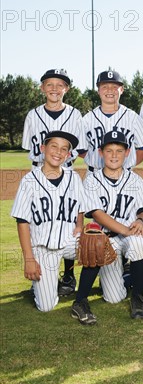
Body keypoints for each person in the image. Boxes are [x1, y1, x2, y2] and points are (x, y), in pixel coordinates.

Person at [71, 130, 143, 325]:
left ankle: (138, 297)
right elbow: (97, 214)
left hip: (130, 236)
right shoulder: (91, 180)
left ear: (127, 152)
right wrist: (125, 229)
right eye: (109, 150)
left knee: (140, 243)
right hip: (106, 239)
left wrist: (140, 220)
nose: (114, 155)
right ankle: (80, 301)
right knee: (113, 296)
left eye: (119, 150)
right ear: (100, 152)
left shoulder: (136, 180)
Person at [22, 68, 86, 296]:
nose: (55, 89)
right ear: (42, 88)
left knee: (68, 227)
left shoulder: (75, 115)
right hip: (39, 175)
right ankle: (37, 273)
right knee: (38, 227)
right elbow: (29, 148)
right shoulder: (33, 115)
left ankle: (69, 275)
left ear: (66, 89)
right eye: (50, 84)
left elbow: (80, 150)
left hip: (66, 175)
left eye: (60, 85)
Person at [11, 131, 84, 312]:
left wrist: (80, 225)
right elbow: (22, 221)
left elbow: (80, 207)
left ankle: (82, 296)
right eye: (54, 147)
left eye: (64, 149)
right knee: (46, 306)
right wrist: (29, 259)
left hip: (68, 241)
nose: (58, 152)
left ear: (68, 155)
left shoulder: (73, 177)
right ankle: (45, 285)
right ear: (43, 149)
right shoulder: (29, 181)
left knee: (98, 248)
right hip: (43, 248)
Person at [80, 70, 143, 172]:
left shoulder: (133, 118)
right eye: (104, 87)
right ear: (98, 91)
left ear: (122, 90)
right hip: (94, 175)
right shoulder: (87, 119)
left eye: (114, 87)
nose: (109, 91)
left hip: (124, 175)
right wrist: (94, 161)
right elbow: (81, 150)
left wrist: (126, 165)